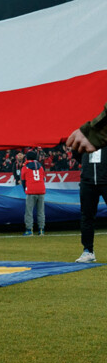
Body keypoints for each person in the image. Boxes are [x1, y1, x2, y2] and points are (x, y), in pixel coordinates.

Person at [67, 104, 107, 262]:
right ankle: (88, 251)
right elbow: (76, 153)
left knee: (87, 216)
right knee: (86, 216)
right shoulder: (84, 135)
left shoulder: (104, 134)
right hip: (88, 181)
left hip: (105, 179)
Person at [20, 149, 46, 236]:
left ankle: (29, 230)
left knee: (29, 212)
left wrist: (25, 190)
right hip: (41, 190)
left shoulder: (25, 167)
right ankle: (41, 230)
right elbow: (43, 178)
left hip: (31, 191)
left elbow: (23, 181)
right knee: (41, 211)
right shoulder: (40, 166)